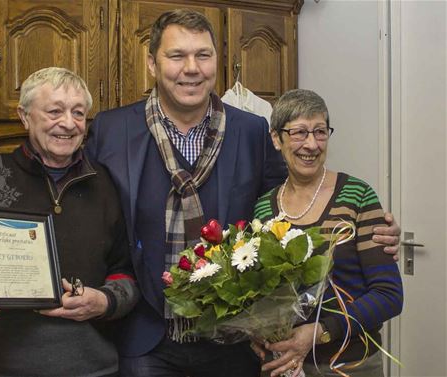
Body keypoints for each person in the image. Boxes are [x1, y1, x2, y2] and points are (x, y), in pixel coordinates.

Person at [86, 9, 401, 377]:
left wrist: (370, 229)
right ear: (153, 63)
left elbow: (292, 212)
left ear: (217, 61)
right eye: (177, 55)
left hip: (235, 342)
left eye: (203, 55)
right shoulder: (111, 130)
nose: (191, 68)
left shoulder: (253, 131)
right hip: (146, 340)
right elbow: (88, 216)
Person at [0, 67, 139, 377]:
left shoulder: (106, 183)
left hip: (90, 367)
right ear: (25, 117)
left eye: (78, 112)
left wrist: (104, 301)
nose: (68, 123)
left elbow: (127, 271)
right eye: (54, 111)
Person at [252, 89, 403, 377]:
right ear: (276, 138)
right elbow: (261, 294)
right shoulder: (263, 209)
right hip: (283, 366)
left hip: (350, 365)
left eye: (320, 132)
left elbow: (389, 295)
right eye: (299, 133)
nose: (311, 144)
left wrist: (321, 332)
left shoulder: (357, 196)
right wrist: (257, 334)